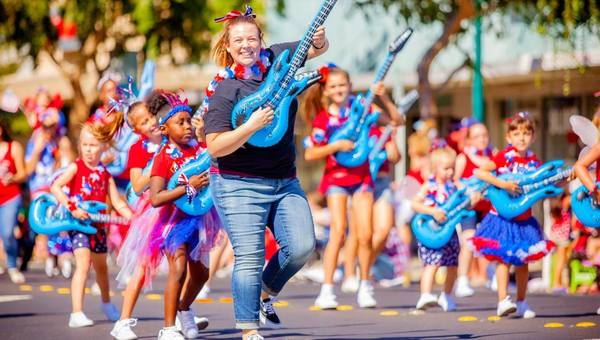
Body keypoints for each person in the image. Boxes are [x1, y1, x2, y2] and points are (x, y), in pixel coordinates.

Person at [203, 6, 327, 340]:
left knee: (302, 246)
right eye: (238, 40)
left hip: (284, 180)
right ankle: (248, 330)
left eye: (251, 38)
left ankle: (264, 294)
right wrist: (250, 126)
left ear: (261, 40)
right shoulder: (225, 91)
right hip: (237, 183)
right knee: (249, 255)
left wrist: (320, 39)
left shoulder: (278, 59)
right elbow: (214, 146)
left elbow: (315, 48)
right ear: (228, 47)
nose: (246, 45)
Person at [303, 65, 380, 309]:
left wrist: (382, 97)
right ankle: (326, 290)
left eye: (342, 85)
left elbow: (394, 120)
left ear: (350, 86)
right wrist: (336, 147)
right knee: (338, 230)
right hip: (336, 180)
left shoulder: (361, 110)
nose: (338, 90)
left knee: (366, 234)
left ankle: (365, 285)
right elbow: (310, 153)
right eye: (333, 86)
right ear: (325, 90)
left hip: (362, 179)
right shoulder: (323, 120)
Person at [147, 91, 221, 340]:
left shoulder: (199, 150)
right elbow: (155, 198)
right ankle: (168, 328)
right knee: (177, 268)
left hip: (200, 220)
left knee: (201, 274)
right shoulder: (163, 157)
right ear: (165, 129)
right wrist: (187, 187)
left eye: (189, 121)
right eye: (180, 123)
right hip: (172, 221)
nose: (188, 126)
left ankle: (185, 309)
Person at [471, 112, 555, 318]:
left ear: (533, 137)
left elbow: (543, 184)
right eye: (517, 133)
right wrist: (503, 183)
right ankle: (502, 300)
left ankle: (522, 301)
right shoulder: (503, 157)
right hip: (502, 218)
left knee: (523, 262)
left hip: (524, 220)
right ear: (509, 137)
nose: (522, 138)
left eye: (526, 133)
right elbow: (480, 172)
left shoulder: (534, 162)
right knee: (503, 259)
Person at [50, 120, 133, 328]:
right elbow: (56, 187)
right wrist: (72, 207)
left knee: (101, 268)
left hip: (98, 226)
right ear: (79, 146)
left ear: (103, 147)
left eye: (93, 145)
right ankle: (76, 312)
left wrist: (132, 216)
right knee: (83, 263)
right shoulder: (75, 167)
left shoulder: (105, 173)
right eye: (85, 145)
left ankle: (106, 303)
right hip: (78, 224)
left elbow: (116, 202)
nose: (88, 150)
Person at [342, 83, 403, 294]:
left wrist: (384, 99)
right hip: (358, 182)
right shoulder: (352, 128)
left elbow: (395, 157)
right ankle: (350, 274)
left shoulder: (379, 125)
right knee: (358, 232)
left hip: (382, 182)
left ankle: (365, 266)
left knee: (384, 230)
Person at [111, 96, 163, 339]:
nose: (150, 122)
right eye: (143, 121)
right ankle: (122, 321)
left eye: (151, 116)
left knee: (182, 265)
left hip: (179, 206)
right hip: (153, 211)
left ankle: (184, 312)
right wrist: (157, 164)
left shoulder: (170, 136)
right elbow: (138, 184)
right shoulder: (139, 150)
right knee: (143, 268)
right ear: (136, 129)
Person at [412, 143, 479, 312]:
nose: (450, 172)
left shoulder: (455, 186)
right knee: (431, 264)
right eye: (446, 168)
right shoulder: (429, 186)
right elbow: (415, 204)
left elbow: (467, 204)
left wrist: (474, 198)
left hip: (450, 233)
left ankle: (447, 295)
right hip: (432, 232)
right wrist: (433, 211)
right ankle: (425, 295)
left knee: (452, 265)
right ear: (435, 168)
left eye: (452, 168)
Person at [453, 122, 493, 297]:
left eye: (484, 135)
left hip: (487, 206)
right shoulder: (463, 157)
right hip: (469, 206)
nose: (482, 139)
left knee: (493, 240)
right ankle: (462, 280)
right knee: (468, 241)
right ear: (469, 139)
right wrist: (468, 191)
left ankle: (494, 277)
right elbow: (454, 180)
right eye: (477, 136)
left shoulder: (492, 156)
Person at [0, 121, 27, 284]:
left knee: (8, 233)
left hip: (11, 196)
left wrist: (12, 178)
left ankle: (12, 265)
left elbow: (23, 173)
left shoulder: (14, 147)